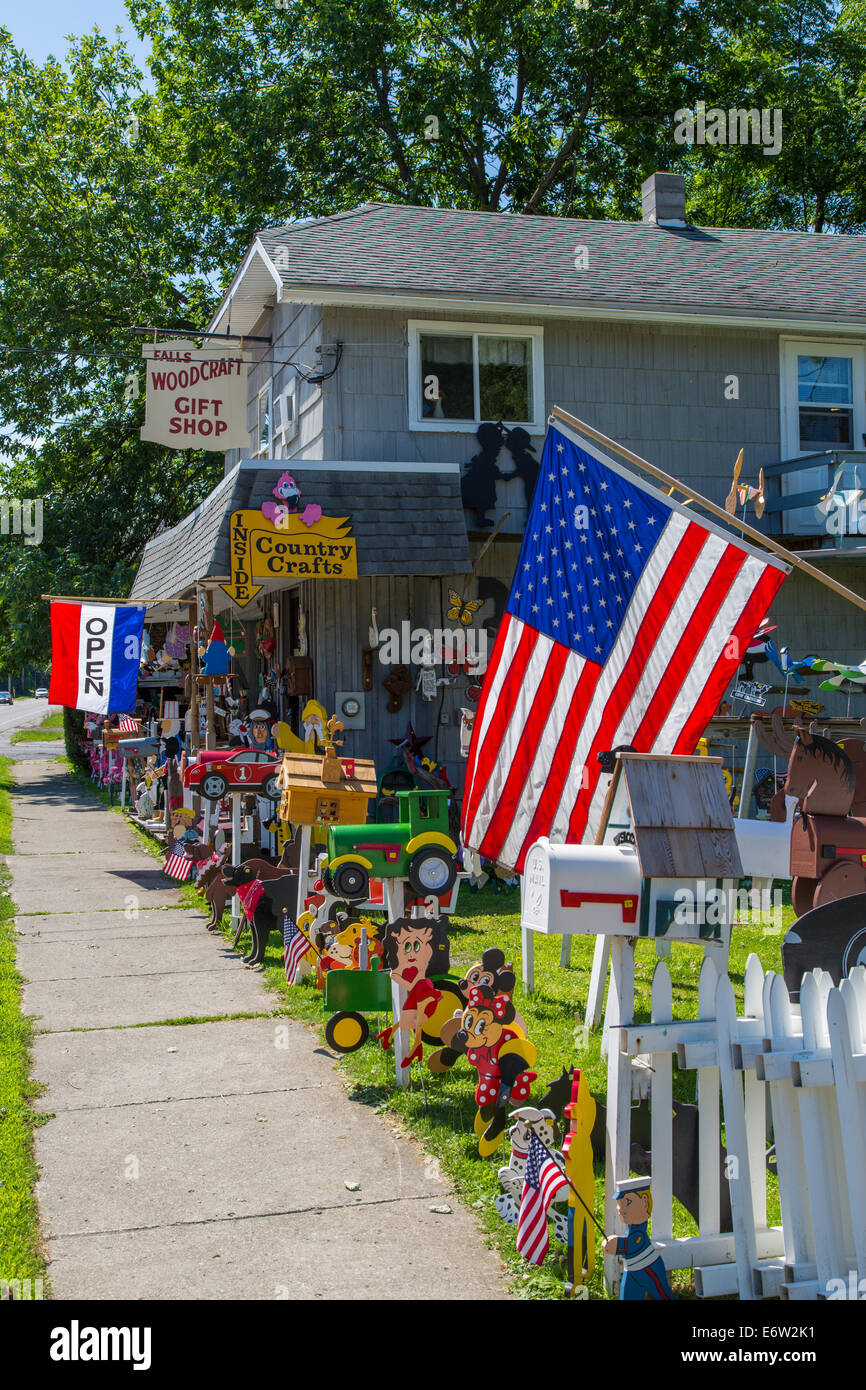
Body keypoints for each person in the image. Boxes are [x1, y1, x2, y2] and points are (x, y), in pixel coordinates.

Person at [602, 1177, 673, 1300]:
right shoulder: (631, 1230)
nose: (621, 1209)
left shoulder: (638, 1233)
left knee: (662, 1294)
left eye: (627, 1202)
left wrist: (617, 1244)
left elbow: (632, 1244)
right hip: (632, 1269)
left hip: (649, 1268)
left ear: (644, 1202)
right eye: (619, 1204)